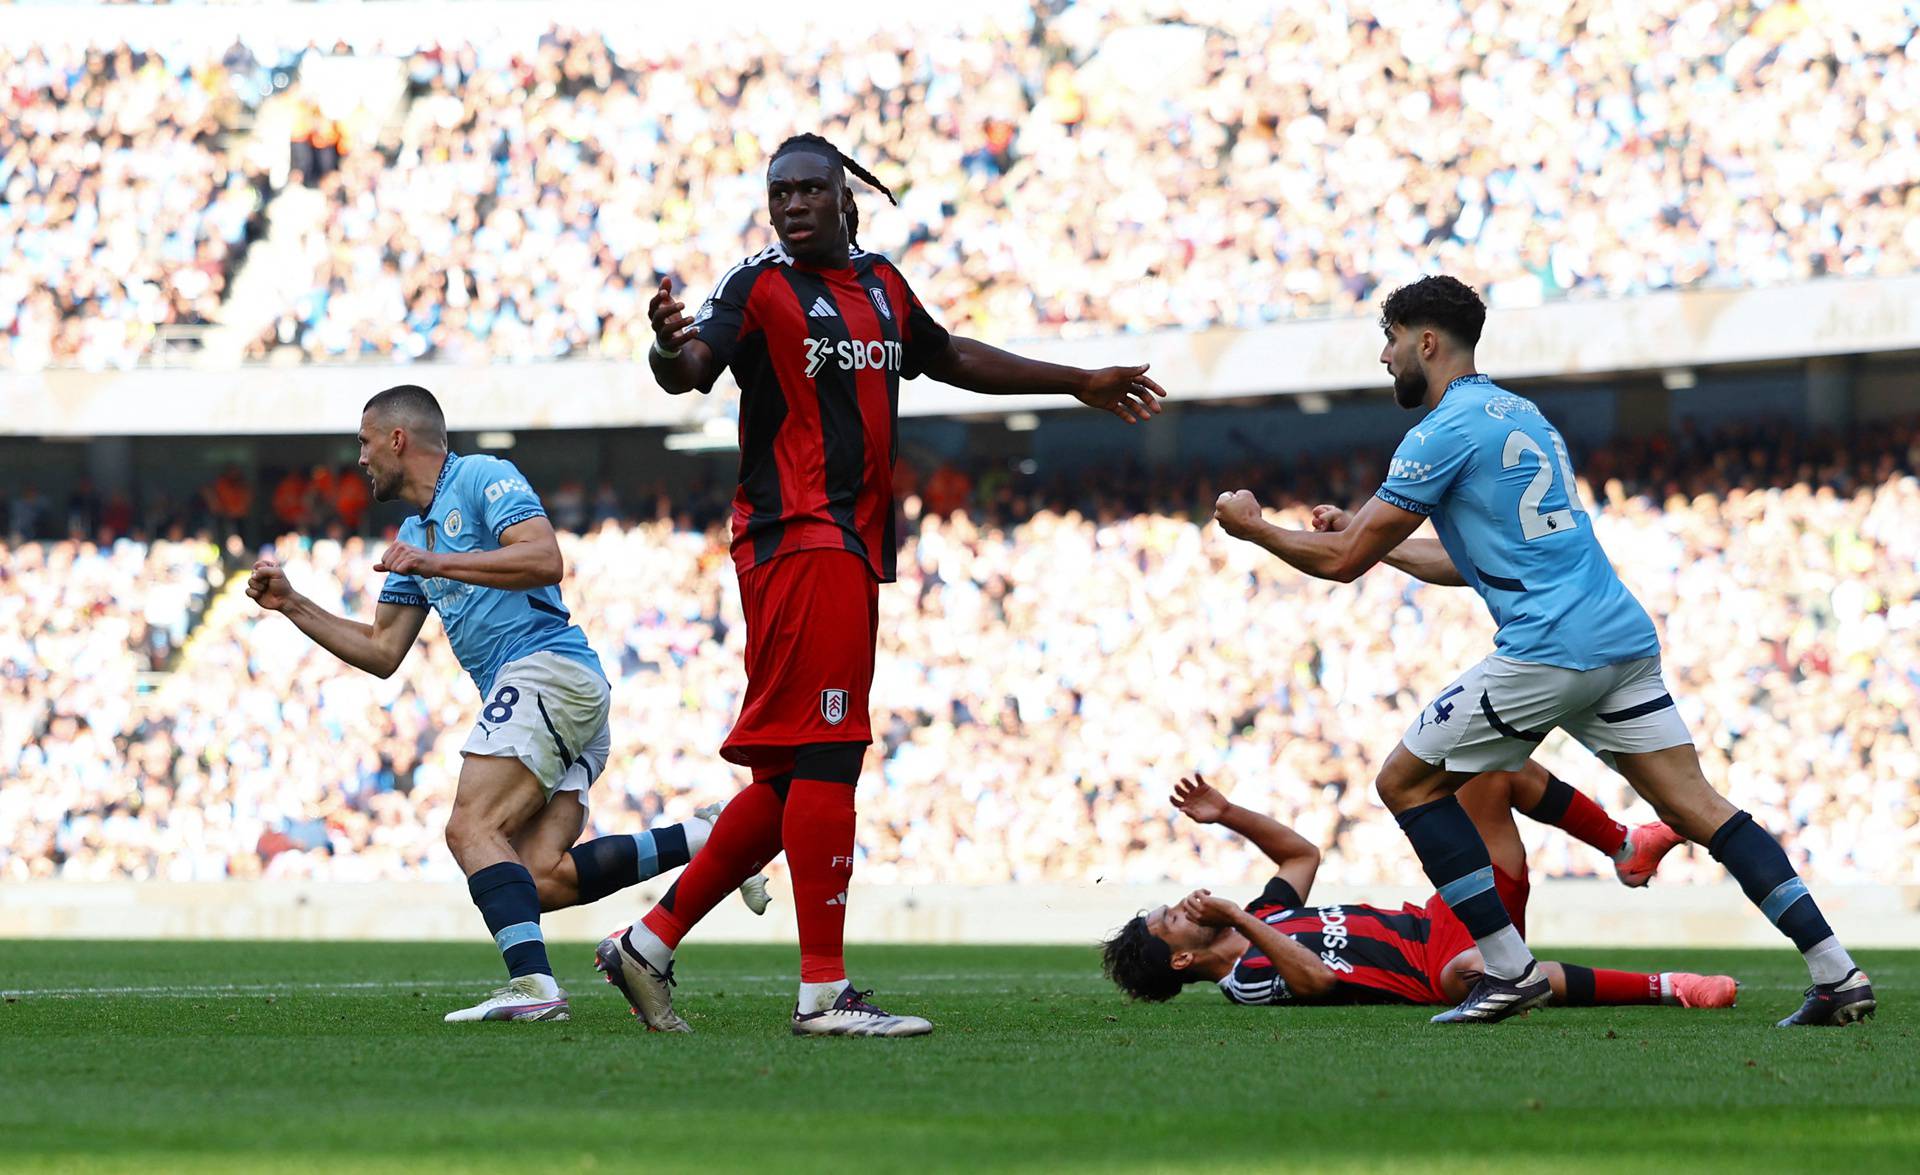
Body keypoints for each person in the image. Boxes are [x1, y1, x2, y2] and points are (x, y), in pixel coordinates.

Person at [602, 132, 1167, 1037]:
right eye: (778, 192)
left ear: (844, 196)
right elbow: (692, 369)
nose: (791, 206)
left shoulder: (881, 285)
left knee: (795, 773)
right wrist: (667, 349)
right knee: (829, 754)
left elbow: (948, 355)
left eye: (808, 191)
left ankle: (649, 942)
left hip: (855, 545)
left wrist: (1074, 382)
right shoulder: (756, 286)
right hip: (798, 539)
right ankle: (822, 993)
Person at [1210, 276, 1874, 1027]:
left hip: (1550, 644)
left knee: (1405, 782)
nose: (1385, 355)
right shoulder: (1522, 416)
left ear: (1427, 342)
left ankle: (1510, 971)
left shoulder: (1438, 433)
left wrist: (1256, 526)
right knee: (1701, 808)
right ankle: (1837, 972)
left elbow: (1340, 561)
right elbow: (1474, 558)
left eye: (1391, 338)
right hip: (1618, 634)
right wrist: (1380, 547)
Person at [247, 384, 766, 1023]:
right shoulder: (414, 534)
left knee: (471, 827)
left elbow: (546, 559)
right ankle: (710, 834)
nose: (359, 459)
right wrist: (293, 604)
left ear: (397, 440)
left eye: (363, 442)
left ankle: (533, 987)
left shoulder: (482, 478)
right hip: (553, 690)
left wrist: (438, 560)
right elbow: (383, 652)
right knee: (536, 878)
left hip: (549, 669)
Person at [1103, 769, 1733, 1012]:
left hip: (1443, 912)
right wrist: (1239, 916)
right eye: (1173, 919)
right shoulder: (1245, 980)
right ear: (1182, 959)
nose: (1185, 903)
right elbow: (1317, 981)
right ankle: (1668, 987)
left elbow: (1302, 854)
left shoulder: (1264, 916)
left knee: (1493, 770)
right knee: (1474, 971)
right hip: (1436, 970)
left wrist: (1229, 812)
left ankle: (1624, 846)